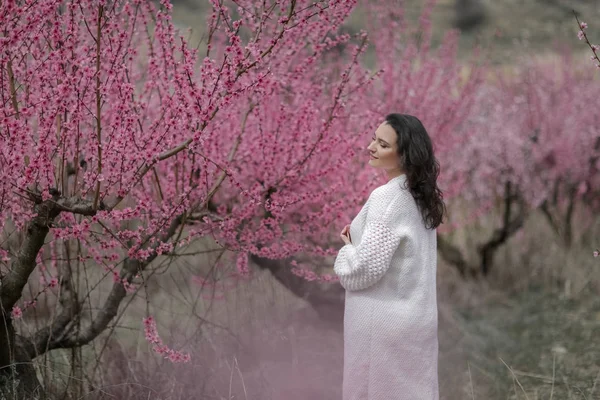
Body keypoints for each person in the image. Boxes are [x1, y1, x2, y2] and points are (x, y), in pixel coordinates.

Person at [333, 113, 446, 400]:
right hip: (415, 320)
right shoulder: (420, 197)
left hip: (381, 327)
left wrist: (347, 250)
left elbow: (362, 271)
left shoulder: (387, 197)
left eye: (382, 144)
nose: (371, 147)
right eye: (374, 138)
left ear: (405, 155)